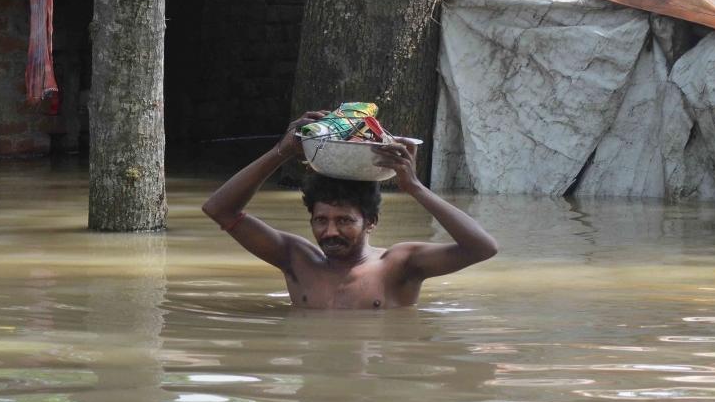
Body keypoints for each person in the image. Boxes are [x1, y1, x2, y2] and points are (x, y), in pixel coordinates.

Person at [202, 110, 498, 309]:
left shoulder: (399, 265)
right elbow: (219, 209)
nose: (330, 231)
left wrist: (415, 188)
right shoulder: (296, 259)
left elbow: (482, 248)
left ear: (371, 222)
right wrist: (282, 152)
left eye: (344, 220)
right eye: (321, 220)